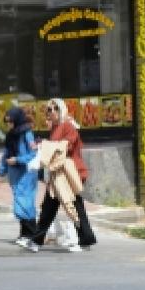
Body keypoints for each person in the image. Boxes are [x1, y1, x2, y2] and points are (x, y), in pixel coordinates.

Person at [30, 98, 97, 252]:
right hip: (58, 174)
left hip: (69, 173)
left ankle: (80, 239)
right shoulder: (56, 127)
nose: (52, 112)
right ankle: (84, 238)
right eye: (49, 109)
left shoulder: (67, 126)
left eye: (56, 108)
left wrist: (44, 146)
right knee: (50, 207)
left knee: (71, 205)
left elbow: (66, 145)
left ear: (62, 110)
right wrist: (42, 145)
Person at [0, 106, 39, 251]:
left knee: (24, 205)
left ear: (17, 120)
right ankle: (24, 234)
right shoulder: (11, 136)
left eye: (10, 121)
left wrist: (18, 160)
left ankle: (32, 235)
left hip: (26, 174)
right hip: (15, 175)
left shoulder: (27, 134)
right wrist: (0, 174)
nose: (9, 125)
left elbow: (33, 154)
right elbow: (5, 155)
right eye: (6, 122)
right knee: (21, 204)